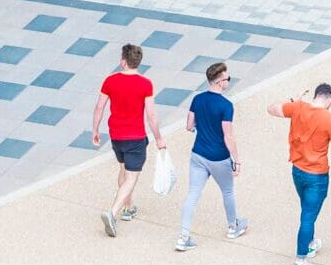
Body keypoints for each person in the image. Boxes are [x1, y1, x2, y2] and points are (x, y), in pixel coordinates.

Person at [92, 42, 164, 237]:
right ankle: (113, 212)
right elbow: (151, 115)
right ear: (137, 62)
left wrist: (95, 130)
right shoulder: (145, 84)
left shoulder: (110, 81)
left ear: (123, 62)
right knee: (132, 176)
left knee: (123, 168)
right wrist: (158, 138)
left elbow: (99, 107)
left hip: (116, 134)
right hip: (135, 136)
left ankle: (128, 207)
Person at [269, 84, 331, 265]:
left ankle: (310, 243)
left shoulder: (297, 107)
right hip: (317, 175)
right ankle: (300, 260)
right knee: (308, 216)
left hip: (297, 170)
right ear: (329, 99)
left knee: (307, 210)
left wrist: (294, 100)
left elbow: (272, 109)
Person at [174, 60, 248, 250]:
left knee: (192, 194)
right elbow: (228, 136)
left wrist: (201, 128)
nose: (228, 81)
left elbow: (189, 125)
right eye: (227, 78)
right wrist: (236, 159)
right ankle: (233, 226)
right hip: (219, 157)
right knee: (228, 191)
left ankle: (183, 236)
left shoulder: (197, 99)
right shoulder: (226, 105)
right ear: (218, 81)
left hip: (198, 154)